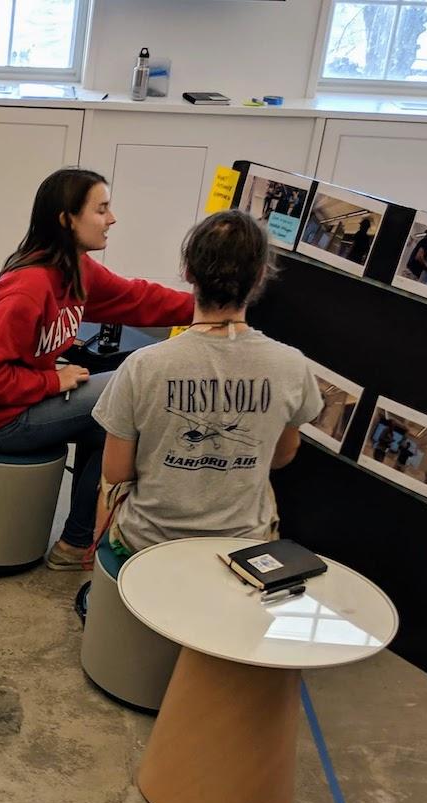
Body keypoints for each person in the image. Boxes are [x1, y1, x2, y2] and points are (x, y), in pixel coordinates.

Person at [0, 167, 193, 570]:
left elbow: (137, 298)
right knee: (126, 388)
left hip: (21, 404)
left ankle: (75, 543)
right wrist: (51, 380)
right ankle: (81, 541)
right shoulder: (28, 290)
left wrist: (208, 306)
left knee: (113, 420)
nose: (111, 219)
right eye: (101, 209)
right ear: (67, 219)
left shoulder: (75, 270)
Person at [92, 209, 322, 559]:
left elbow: (116, 471)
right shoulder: (292, 365)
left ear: (188, 271)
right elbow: (281, 456)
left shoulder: (143, 366)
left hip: (149, 544)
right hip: (244, 546)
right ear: (260, 277)